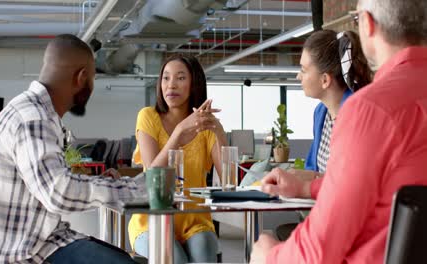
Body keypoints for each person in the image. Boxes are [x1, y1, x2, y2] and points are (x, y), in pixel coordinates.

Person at [251, 0, 427, 262]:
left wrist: (270, 256)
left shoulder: (370, 109)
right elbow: (382, 187)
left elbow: (320, 250)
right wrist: (306, 188)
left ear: (367, 23)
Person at [0, 34, 144, 264]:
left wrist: (104, 184)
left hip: (39, 240)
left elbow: (49, 183)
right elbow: (58, 192)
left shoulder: (35, 112)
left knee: (123, 259)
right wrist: (137, 190)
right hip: (18, 254)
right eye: (92, 78)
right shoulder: (33, 119)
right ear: (81, 77)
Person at [273, 29, 372, 240]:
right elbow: (313, 168)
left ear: (325, 80)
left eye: (303, 69)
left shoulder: (357, 114)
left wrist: (312, 179)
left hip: (348, 221)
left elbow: (352, 183)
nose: (298, 76)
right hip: (321, 211)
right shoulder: (321, 113)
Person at [128, 54, 227, 264]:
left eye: (180, 78)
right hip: (152, 221)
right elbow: (153, 174)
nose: (171, 84)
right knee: (177, 260)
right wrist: (180, 132)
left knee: (204, 257)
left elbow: (230, 179)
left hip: (196, 220)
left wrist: (217, 129)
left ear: (194, 84)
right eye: (166, 78)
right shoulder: (148, 116)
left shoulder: (206, 127)